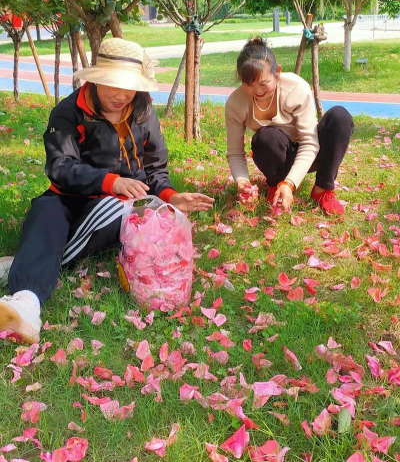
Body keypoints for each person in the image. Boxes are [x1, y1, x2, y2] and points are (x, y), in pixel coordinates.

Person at [0, 38, 213, 344]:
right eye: (113, 84)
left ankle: (26, 283)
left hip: (122, 206)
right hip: (70, 196)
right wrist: (111, 181)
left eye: (129, 86)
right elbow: (60, 167)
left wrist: (170, 196)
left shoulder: (143, 110)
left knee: (121, 208)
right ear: (96, 79)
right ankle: (26, 293)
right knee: (44, 210)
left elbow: (155, 167)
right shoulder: (69, 112)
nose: (122, 95)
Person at [225, 37, 353, 217]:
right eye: (248, 85)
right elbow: (235, 152)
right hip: (278, 157)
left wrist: (290, 183)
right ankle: (275, 185)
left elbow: (310, 142)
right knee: (265, 137)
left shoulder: (296, 87)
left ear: (277, 72)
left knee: (340, 117)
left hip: (313, 154)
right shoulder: (235, 103)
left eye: (263, 83)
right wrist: (242, 182)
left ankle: (322, 189)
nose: (258, 91)